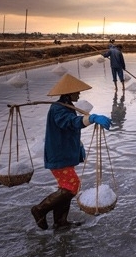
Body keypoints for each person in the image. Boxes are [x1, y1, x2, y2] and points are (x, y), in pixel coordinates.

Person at [31, 74, 112, 231]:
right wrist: (91, 118)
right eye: (77, 92)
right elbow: (69, 122)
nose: (79, 94)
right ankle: (40, 209)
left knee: (66, 187)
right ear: (69, 93)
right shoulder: (58, 109)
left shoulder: (65, 107)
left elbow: (70, 123)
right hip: (58, 155)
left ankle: (60, 222)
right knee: (72, 187)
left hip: (64, 154)